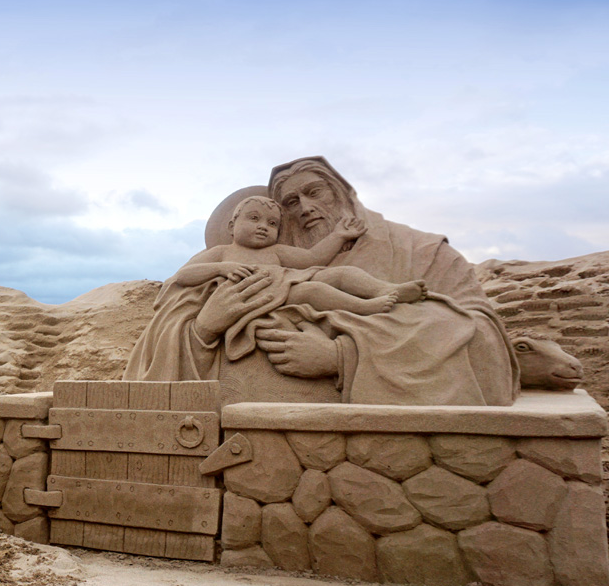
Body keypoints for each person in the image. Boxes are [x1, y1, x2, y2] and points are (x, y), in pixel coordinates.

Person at [124, 157, 518, 409]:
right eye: (291, 204)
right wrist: (205, 328)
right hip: (261, 442)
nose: (305, 209)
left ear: (343, 193)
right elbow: (157, 344)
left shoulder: (424, 253)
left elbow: (482, 337)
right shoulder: (234, 260)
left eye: (314, 192)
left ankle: (377, 298)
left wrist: (342, 357)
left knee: (333, 284)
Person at [174, 195, 426, 317]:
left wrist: (338, 236)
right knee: (312, 291)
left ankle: (385, 289)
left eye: (272, 223)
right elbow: (183, 276)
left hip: (287, 282)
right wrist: (221, 268)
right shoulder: (221, 253)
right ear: (231, 226)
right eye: (254, 218)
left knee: (342, 274)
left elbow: (312, 259)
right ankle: (364, 307)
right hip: (266, 295)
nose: (263, 226)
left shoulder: (276, 251)